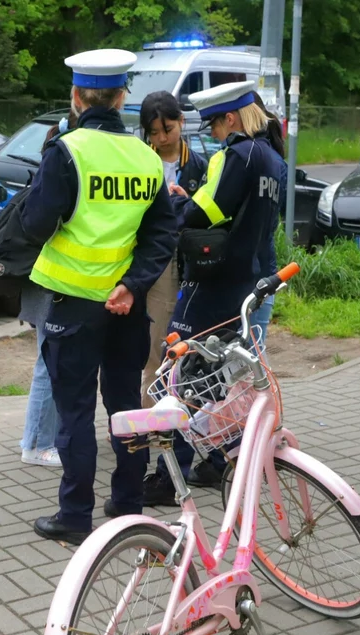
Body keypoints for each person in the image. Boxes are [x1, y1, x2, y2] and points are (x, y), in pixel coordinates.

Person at [21, 49, 177, 545]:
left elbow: (34, 224)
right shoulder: (146, 158)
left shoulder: (67, 151)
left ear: (76, 96)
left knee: (74, 412)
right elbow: (161, 235)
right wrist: (131, 286)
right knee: (124, 407)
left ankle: (74, 515)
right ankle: (128, 505)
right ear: (121, 96)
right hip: (125, 307)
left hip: (72, 304)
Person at [143, 81, 285, 505]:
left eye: (214, 125)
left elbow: (204, 212)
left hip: (215, 282)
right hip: (252, 280)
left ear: (230, 118)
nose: (212, 135)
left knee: (181, 376)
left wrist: (171, 207)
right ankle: (226, 459)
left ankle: (170, 480)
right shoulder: (273, 158)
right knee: (228, 380)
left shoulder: (236, 154)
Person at [138, 91, 208, 408]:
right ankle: (152, 419)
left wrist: (187, 204)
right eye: (154, 132)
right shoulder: (138, 161)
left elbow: (210, 216)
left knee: (187, 344)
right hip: (156, 261)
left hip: (192, 263)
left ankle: (184, 415)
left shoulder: (199, 166)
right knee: (155, 345)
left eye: (168, 129)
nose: (162, 138)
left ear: (181, 121)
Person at [19, 111, 76, 468]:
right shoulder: (57, 179)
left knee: (48, 361)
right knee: (47, 363)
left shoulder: (48, 175)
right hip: (49, 285)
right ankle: (37, 444)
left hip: (45, 285)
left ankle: (35, 436)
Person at [250, 94, 289, 347]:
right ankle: (264, 388)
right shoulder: (277, 161)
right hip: (266, 268)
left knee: (244, 351)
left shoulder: (241, 157)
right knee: (256, 346)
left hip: (247, 271)